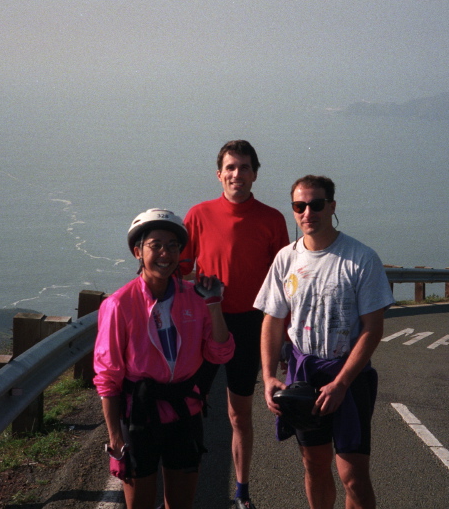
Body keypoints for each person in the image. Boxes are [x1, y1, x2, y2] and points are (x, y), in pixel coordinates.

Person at [256, 175, 394, 509]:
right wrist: (269, 377)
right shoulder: (285, 259)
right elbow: (272, 322)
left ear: (332, 207)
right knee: (314, 464)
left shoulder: (360, 258)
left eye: (316, 204)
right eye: (299, 206)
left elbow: (373, 328)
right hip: (303, 376)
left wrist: (342, 383)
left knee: (353, 477)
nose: (308, 212)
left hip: (350, 378)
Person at [94, 208, 235, 509]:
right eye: (155, 245)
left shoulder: (195, 297)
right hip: (139, 417)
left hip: (184, 413)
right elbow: (108, 375)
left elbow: (221, 352)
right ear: (137, 252)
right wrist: (115, 437)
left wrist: (214, 306)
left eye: (173, 246)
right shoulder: (119, 304)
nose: (165, 253)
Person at [180, 140, 289, 509]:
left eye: (244, 167)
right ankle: (184, 489)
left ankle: (242, 493)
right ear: (219, 174)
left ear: (255, 174)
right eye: (230, 167)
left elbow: (284, 280)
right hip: (205, 323)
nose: (237, 174)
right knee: (190, 406)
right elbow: (178, 270)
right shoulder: (198, 215)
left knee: (239, 413)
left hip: (250, 325)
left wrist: (286, 333)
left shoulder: (272, 219)